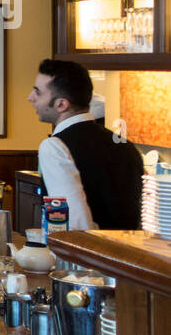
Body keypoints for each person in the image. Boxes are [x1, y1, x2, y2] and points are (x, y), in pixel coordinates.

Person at [29, 59, 143, 230]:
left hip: (86, 253)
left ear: (61, 104)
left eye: (38, 92)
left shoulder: (54, 147)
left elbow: (74, 223)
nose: (30, 98)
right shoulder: (128, 147)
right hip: (127, 253)